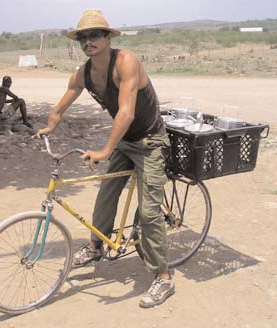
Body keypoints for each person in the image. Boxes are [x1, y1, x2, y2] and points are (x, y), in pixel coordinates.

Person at [36, 9, 174, 308]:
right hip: (126, 142)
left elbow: (127, 112)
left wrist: (105, 149)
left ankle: (163, 277)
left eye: (95, 34)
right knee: (105, 194)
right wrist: (50, 125)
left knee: (149, 214)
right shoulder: (83, 73)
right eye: (83, 37)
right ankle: (96, 246)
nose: (89, 41)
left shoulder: (126, 61)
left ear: (108, 37)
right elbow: (60, 106)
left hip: (150, 142)